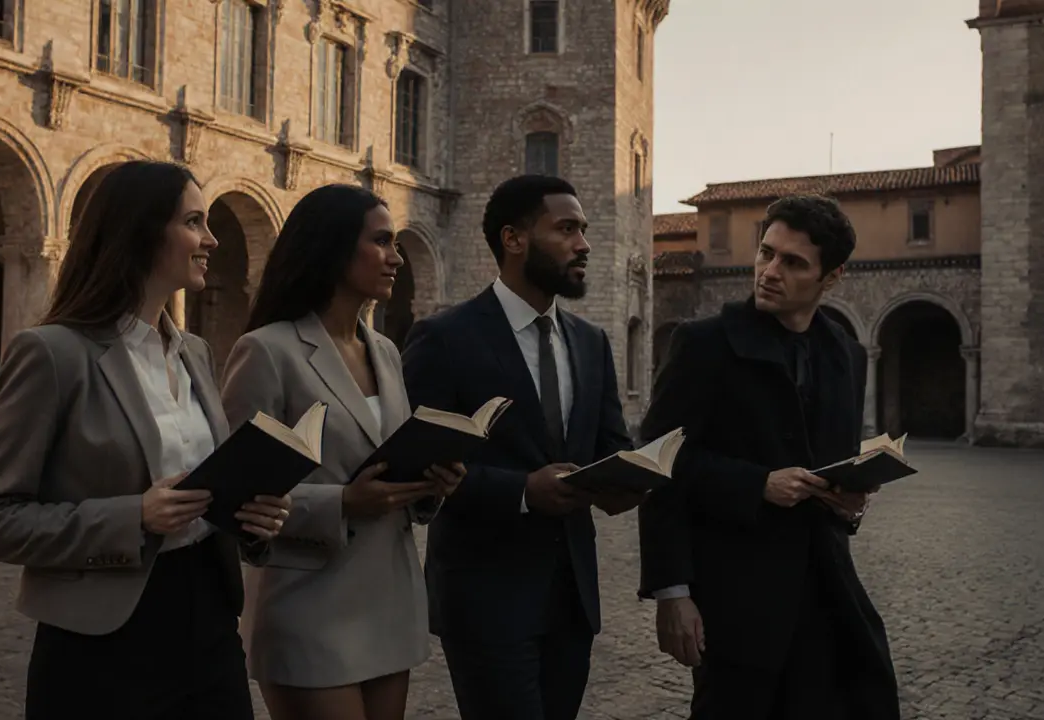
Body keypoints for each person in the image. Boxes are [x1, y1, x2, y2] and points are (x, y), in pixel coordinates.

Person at [0, 159, 292, 720]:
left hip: (209, 623)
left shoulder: (196, 353)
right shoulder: (52, 354)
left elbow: (203, 498)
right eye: (194, 222)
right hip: (101, 643)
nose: (211, 239)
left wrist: (252, 519)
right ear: (141, 230)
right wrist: (133, 515)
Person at [636, 194, 900, 720]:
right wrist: (672, 592)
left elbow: (833, 466)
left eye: (793, 262)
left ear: (833, 276)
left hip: (826, 590)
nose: (770, 271)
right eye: (766, 253)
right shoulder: (703, 345)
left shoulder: (846, 356)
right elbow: (657, 463)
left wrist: (851, 502)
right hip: (735, 598)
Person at [219, 183, 465, 720]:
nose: (396, 257)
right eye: (381, 242)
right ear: (332, 246)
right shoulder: (266, 351)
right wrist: (342, 503)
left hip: (389, 600)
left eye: (397, 243)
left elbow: (389, 469)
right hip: (308, 602)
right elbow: (235, 497)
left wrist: (430, 487)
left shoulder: (386, 352)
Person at [400, 174, 640, 720]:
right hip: (486, 598)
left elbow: (612, 444)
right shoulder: (446, 338)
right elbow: (417, 461)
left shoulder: (591, 342)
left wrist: (625, 481)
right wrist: (522, 492)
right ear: (514, 239)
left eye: (583, 229)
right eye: (566, 229)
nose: (584, 244)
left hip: (571, 599)